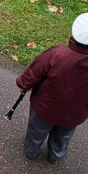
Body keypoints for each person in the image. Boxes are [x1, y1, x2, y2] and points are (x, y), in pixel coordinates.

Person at [16, 13, 88, 164]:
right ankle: (55, 155)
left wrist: (23, 84)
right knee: (63, 136)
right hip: (75, 113)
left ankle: (31, 151)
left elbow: (35, 72)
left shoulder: (57, 54)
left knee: (36, 131)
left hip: (45, 107)